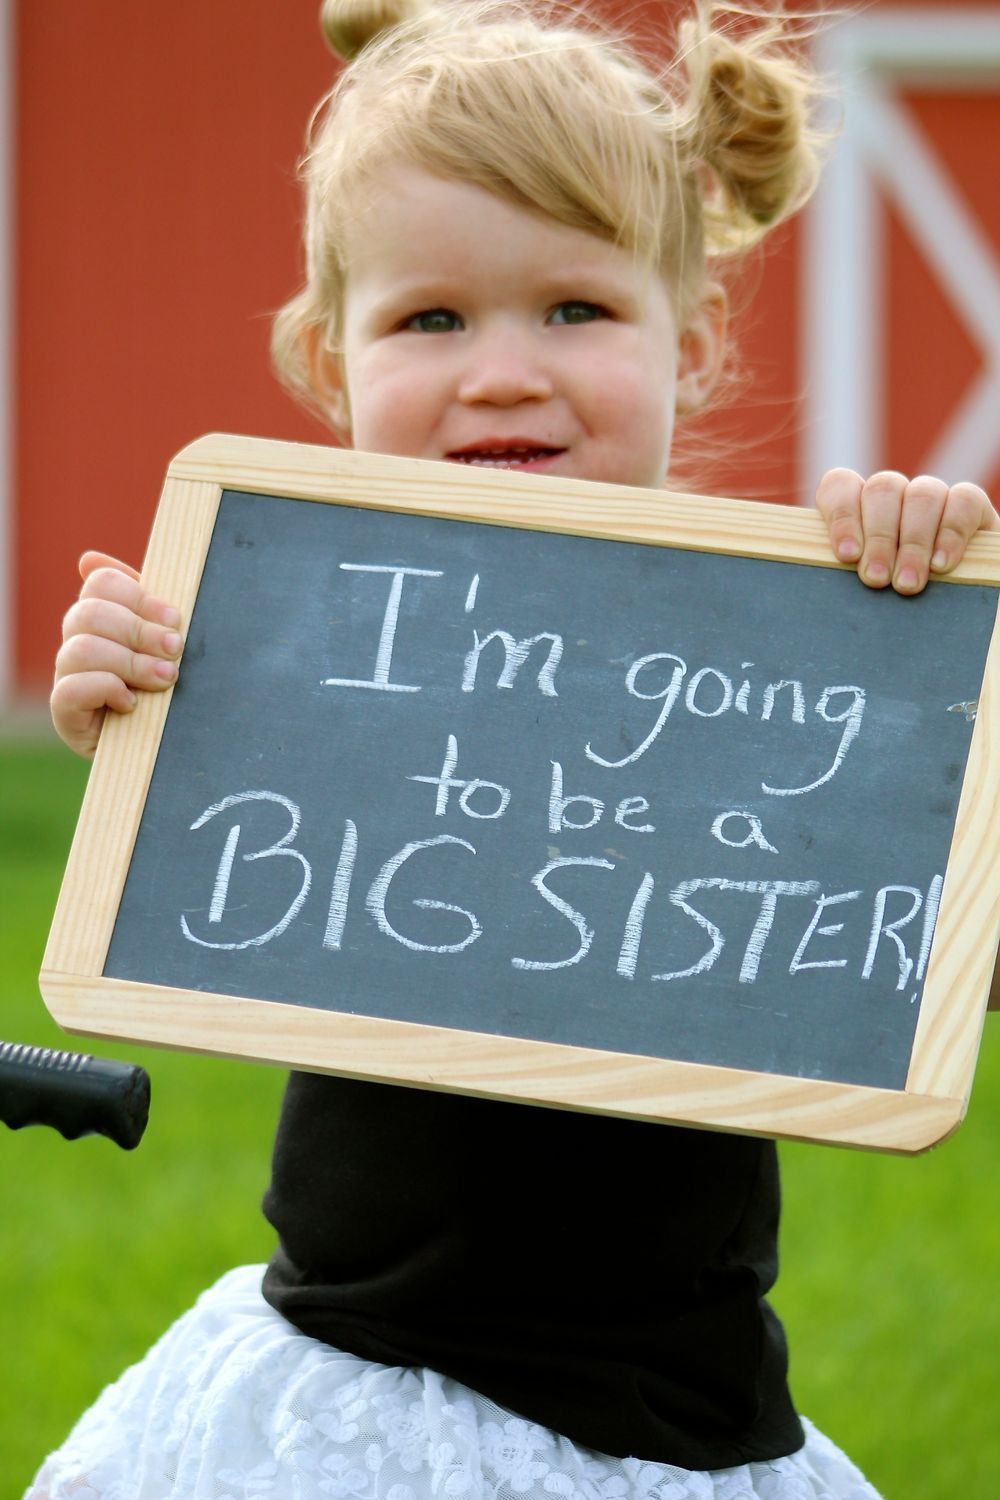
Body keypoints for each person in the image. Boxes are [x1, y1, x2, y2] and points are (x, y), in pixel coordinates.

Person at [33, 1, 999, 1496]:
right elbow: (196, 840)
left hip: (671, 1418)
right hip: (346, 1394)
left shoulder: (803, 653)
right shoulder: (304, 634)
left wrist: (935, 651)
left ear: (694, 341)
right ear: (327, 363)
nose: (499, 373)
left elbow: (944, 938)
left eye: (574, 309)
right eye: (432, 319)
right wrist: (132, 695)